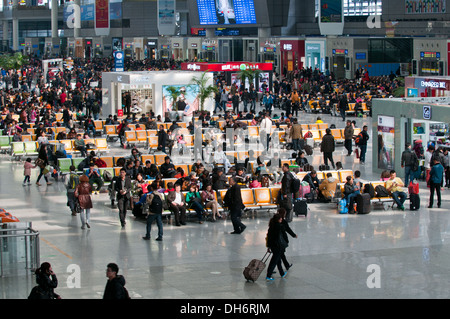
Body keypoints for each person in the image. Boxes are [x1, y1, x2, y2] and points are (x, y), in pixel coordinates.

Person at [265, 214, 288, 281]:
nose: (281, 220)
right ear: (278, 219)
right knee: (274, 261)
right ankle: (268, 275)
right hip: (278, 245)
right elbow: (284, 233)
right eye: (281, 219)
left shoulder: (271, 226)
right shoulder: (279, 226)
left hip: (273, 246)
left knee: (278, 260)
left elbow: (269, 237)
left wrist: (268, 246)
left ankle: (282, 273)